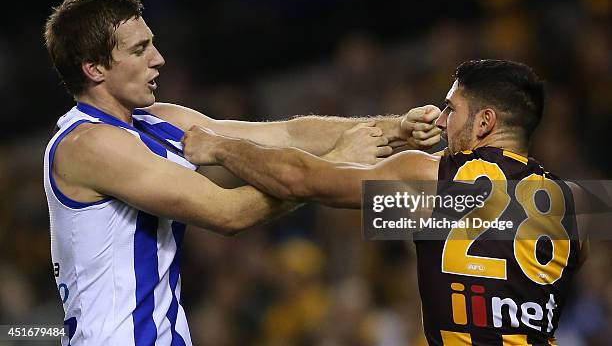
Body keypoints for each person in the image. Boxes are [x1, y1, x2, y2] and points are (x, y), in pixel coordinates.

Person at [42, 0, 440, 345]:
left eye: (153, 44)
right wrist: (336, 161)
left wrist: (395, 128)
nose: (158, 59)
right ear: (93, 68)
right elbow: (229, 213)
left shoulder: (156, 119)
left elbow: (287, 134)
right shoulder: (88, 145)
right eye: (138, 50)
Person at [183, 59, 587, 345]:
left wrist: (219, 147)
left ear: (485, 122)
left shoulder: (431, 178)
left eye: (452, 109)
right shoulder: (575, 206)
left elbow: (297, 179)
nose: (442, 121)